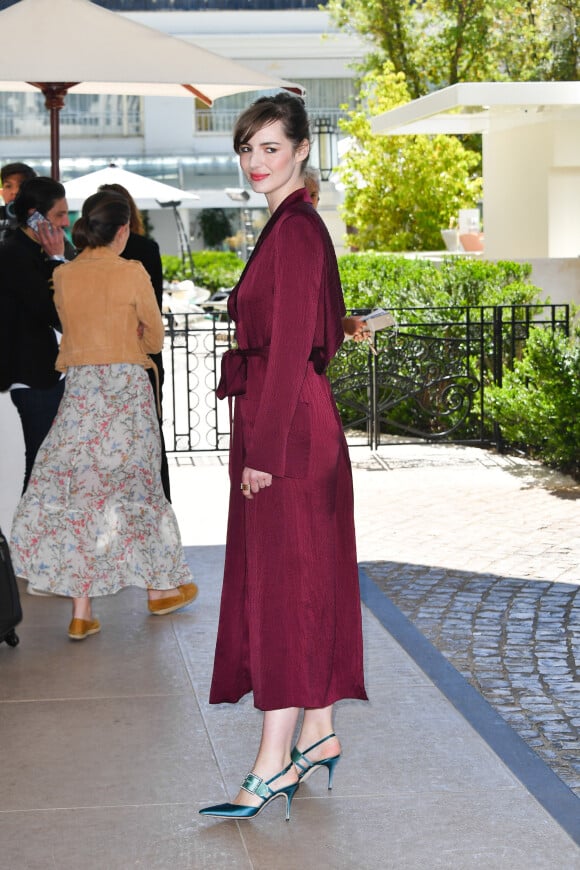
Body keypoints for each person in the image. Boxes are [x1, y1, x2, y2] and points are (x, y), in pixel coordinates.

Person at [200, 93, 367, 822]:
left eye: (270, 147)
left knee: (286, 593)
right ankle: (318, 732)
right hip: (295, 423)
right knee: (308, 580)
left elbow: (297, 347)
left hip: (288, 434)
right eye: (247, 149)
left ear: (301, 149)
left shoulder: (295, 231)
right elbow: (320, 332)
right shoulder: (292, 226)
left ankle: (271, 765)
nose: (255, 162)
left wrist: (262, 452)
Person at [9, 191, 197, 641]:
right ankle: (159, 589)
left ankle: (81, 612)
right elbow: (154, 339)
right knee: (139, 488)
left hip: (80, 390)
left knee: (80, 495)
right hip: (125, 392)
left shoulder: (66, 275)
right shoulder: (131, 271)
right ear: (123, 230)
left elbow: (68, 329)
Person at [98, 181, 171, 502]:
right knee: (151, 436)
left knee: (109, 440)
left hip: (105, 357)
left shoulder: (84, 258)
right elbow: (151, 311)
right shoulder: (146, 248)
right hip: (142, 357)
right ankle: (159, 505)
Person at [0, 177, 71, 495]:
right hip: (32, 377)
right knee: (42, 465)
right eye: (59, 215)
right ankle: (31, 539)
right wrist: (56, 259)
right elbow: (55, 309)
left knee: (48, 465)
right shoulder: (15, 254)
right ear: (35, 215)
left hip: (46, 375)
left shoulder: (33, 251)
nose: (66, 222)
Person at [303, 165, 370, 344]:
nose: (310, 202)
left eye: (314, 195)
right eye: (304, 195)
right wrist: (343, 326)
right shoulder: (291, 236)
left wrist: (346, 328)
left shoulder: (312, 234)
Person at [0, 162, 37, 243]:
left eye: (20, 186)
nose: (14, 192)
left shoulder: (41, 220)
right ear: (2, 191)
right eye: (8, 186)